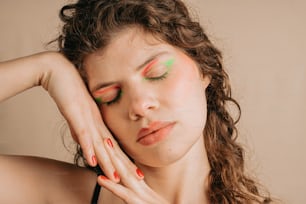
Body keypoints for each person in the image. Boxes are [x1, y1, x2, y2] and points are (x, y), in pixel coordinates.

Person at [0, 0, 273, 203]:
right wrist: (45, 69)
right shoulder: (70, 194)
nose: (140, 105)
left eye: (157, 73)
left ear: (203, 68)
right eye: (110, 96)